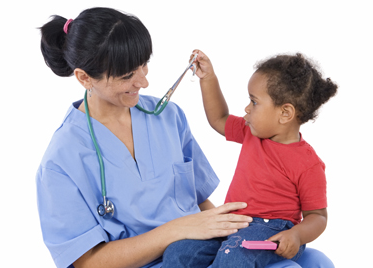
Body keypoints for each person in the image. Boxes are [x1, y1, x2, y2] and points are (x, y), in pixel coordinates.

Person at [36, 7, 335, 268]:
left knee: (316, 262)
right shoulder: (62, 160)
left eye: (144, 65)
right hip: (147, 260)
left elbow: (199, 199)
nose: (144, 81)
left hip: (199, 244)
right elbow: (89, 261)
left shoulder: (167, 116)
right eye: (128, 76)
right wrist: (177, 230)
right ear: (84, 78)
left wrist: (228, 231)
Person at [163, 50, 337, 268]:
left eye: (254, 102)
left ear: (285, 113)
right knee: (179, 252)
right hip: (232, 224)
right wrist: (208, 78)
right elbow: (219, 118)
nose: (246, 108)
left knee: (232, 257)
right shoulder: (250, 133)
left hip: (273, 231)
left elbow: (318, 216)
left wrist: (297, 236)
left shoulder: (308, 164)